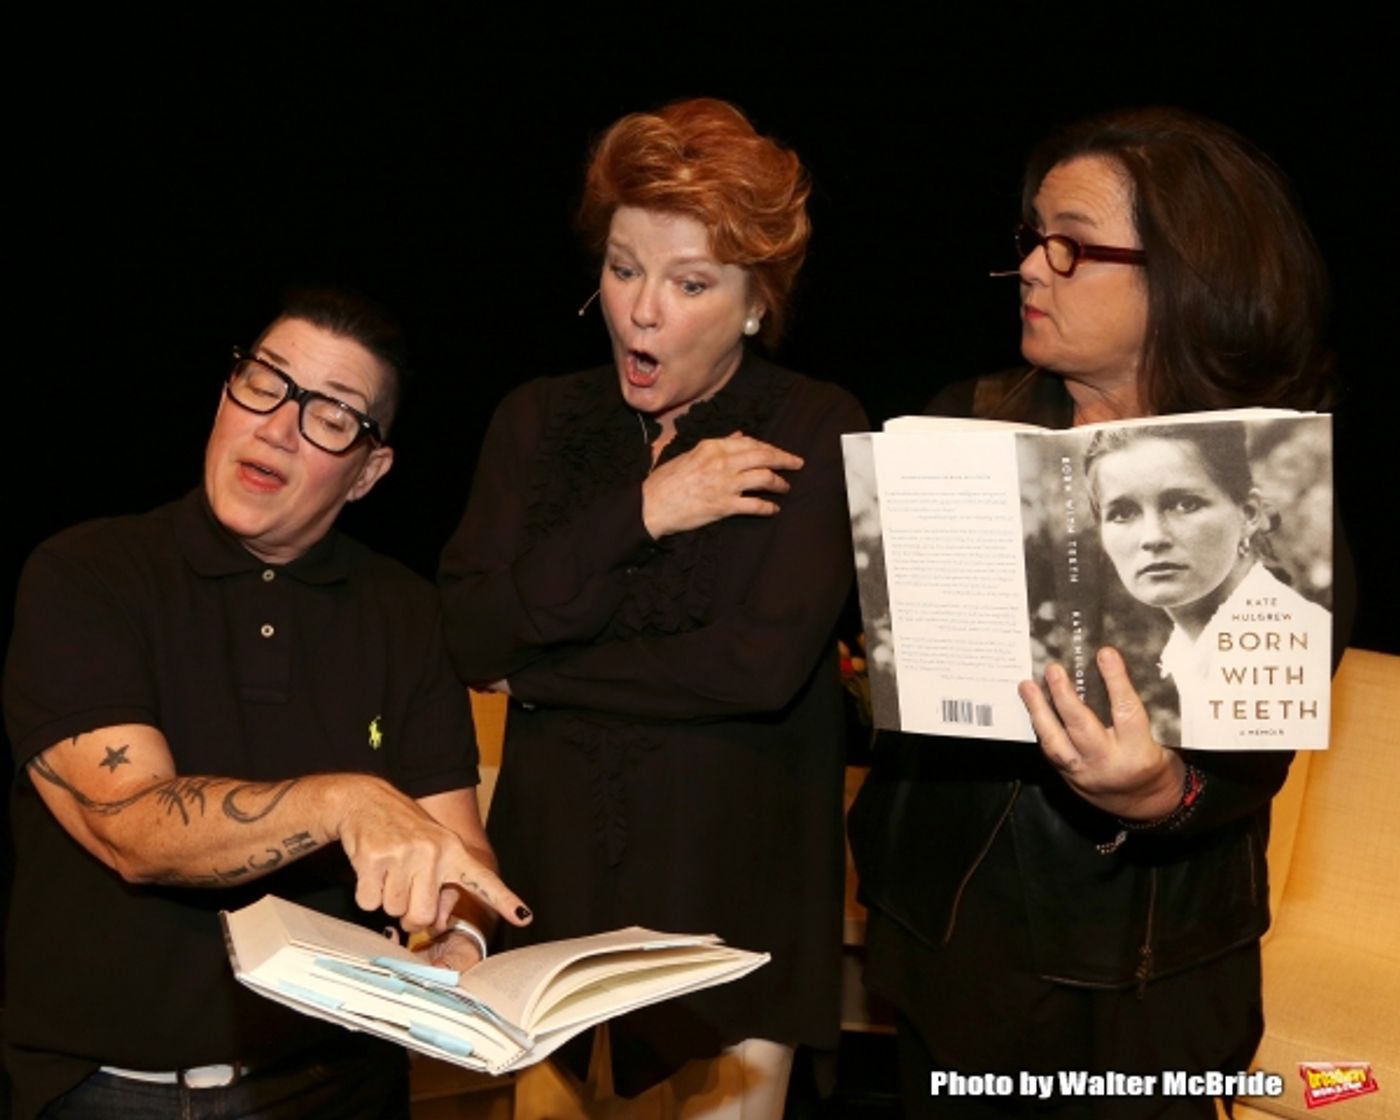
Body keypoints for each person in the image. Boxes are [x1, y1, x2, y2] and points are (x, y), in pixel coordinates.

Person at [849, 107, 1355, 1119]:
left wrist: (1157, 792)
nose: (1032, 268)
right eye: (1031, 238)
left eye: (1070, 244)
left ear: (1177, 273)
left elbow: (1250, 757)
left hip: (1143, 983)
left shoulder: (1272, 483)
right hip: (946, 941)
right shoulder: (963, 421)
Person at [3, 290, 531, 1120]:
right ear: (225, 395)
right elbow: (130, 826)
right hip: (110, 1095)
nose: (280, 425)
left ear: (368, 471)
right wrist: (343, 801)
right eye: (266, 383)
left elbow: (457, 844)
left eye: (332, 415)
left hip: (338, 1087)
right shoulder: (88, 574)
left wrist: (461, 936)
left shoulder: (404, 611)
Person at [439, 98, 864, 1117]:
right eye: (624, 269)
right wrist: (642, 510)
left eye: (688, 284)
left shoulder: (815, 424)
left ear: (755, 300)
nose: (641, 310)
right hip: (547, 902)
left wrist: (535, 673)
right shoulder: (536, 421)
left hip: (731, 914)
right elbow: (463, 633)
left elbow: (753, 669)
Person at [1084, 423, 1332, 746]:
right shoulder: (1193, 648)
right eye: (1123, 512)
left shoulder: (1290, 651)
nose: (1153, 538)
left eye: (1184, 504)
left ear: (1249, 514)